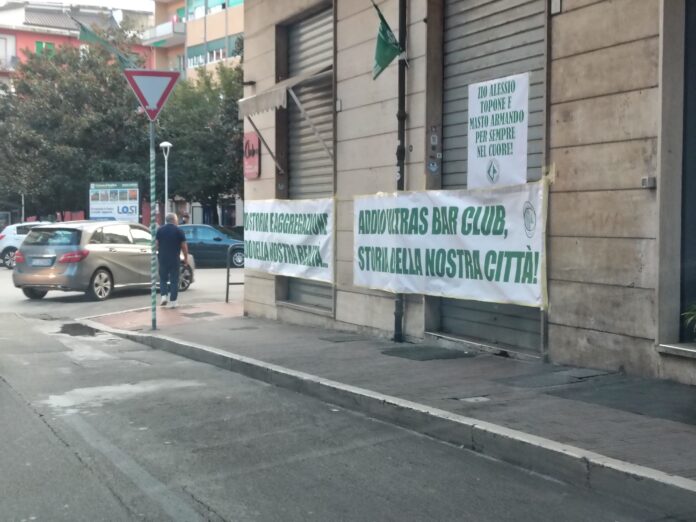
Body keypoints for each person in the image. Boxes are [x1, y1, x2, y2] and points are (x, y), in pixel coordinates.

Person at [156, 212, 189, 309]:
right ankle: (173, 301)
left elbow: (156, 244)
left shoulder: (160, 230)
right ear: (174, 220)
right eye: (177, 219)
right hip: (174, 259)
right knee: (174, 280)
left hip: (163, 258)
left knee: (163, 279)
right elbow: (184, 246)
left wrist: (157, 253)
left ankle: (163, 296)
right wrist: (186, 258)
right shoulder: (179, 231)